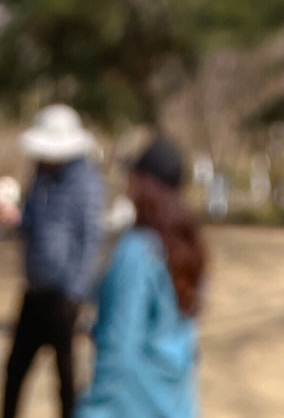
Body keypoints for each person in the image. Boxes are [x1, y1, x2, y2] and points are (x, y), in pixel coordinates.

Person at [76, 136, 205, 418]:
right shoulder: (186, 246)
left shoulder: (137, 252)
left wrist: (93, 410)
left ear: (142, 181)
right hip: (176, 406)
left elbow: (119, 351)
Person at [1, 105, 106, 418]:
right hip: (34, 290)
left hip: (64, 295)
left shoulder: (87, 183)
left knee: (65, 374)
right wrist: (13, 219)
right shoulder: (39, 178)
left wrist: (75, 293)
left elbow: (90, 240)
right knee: (15, 368)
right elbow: (30, 224)